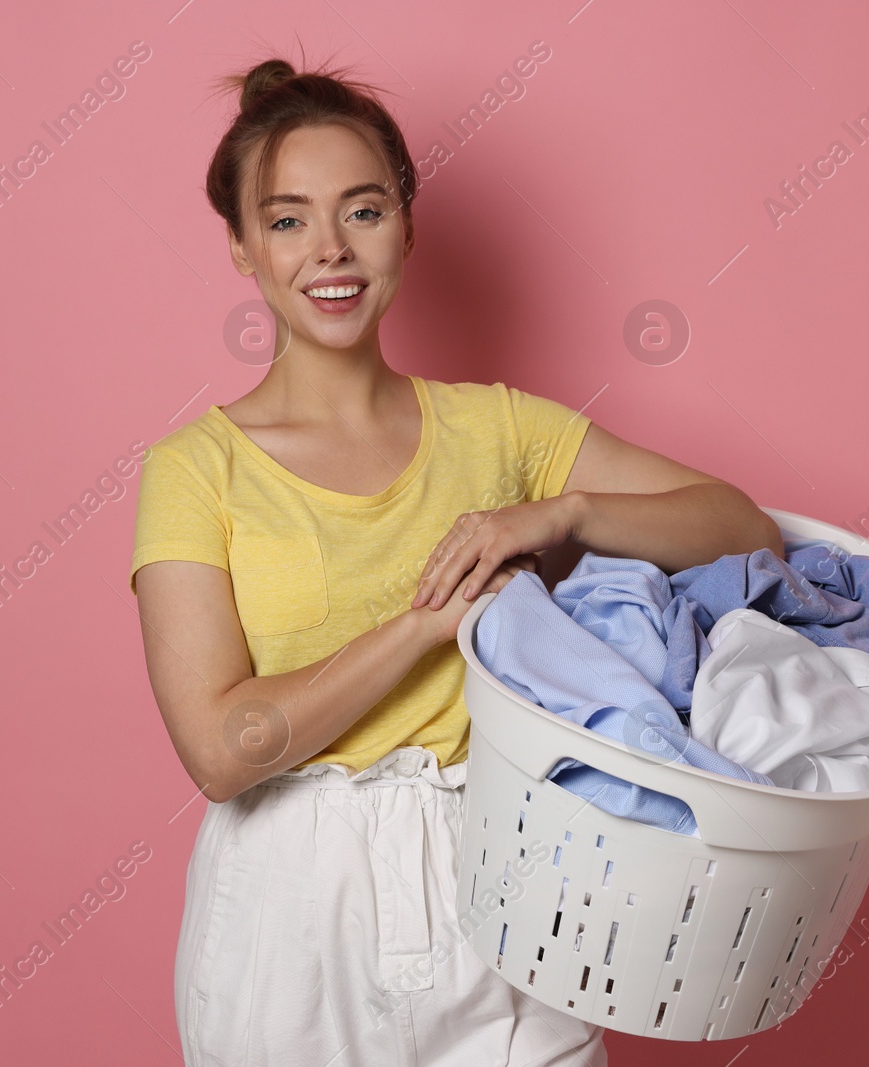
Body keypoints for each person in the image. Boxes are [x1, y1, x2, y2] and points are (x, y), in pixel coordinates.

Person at [129, 52, 784, 1067]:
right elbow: (222, 747)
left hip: (502, 862)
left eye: (364, 209)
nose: (330, 250)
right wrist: (425, 625)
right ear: (242, 246)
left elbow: (743, 528)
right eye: (288, 218)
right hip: (289, 905)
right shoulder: (195, 469)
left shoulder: (501, 431)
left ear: (406, 222)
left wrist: (556, 512)